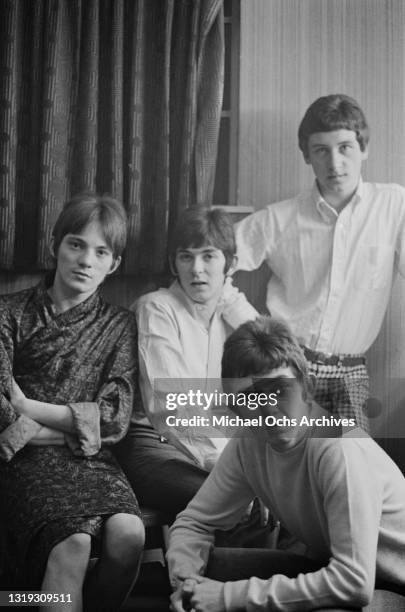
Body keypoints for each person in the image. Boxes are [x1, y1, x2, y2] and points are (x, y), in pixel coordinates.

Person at [167, 316, 405, 612]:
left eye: (279, 390)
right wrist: (188, 583)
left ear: (308, 388)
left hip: (389, 586)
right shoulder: (247, 444)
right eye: (251, 397)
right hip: (328, 568)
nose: (268, 408)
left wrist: (226, 597)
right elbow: (194, 523)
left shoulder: (338, 447)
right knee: (206, 571)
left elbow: (353, 583)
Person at [0, 194, 144, 612]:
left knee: (129, 535)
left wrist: (30, 411)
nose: (86, 260)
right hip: (23, 461)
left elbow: (114, 416)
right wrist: (72, 430)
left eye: (101, 252)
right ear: (55, 246)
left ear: (113, 264)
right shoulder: (9, 313)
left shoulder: (120, 325)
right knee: (73, 543)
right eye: (76, 244)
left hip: (94, 463)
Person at [234, 94, 405, 432]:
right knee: (288, 463)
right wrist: (251, 325)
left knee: (354, 466)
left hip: (351, 371)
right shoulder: (280, 219)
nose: (335, 163)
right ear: (307, 156)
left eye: (345, 148)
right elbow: (214, 262)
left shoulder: (393, 205)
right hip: (288, 365)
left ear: (364, 149)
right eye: (321, 150)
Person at [115, 207, 258, 516]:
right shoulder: (157, 308)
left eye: (209, 256)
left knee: (284, 494)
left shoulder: (230, 312)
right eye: (185, 257)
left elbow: (272, 365)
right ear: (173, 263)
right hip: (154, 443)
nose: (196, 269)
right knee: (237, 502)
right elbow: (172, 406)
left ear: (230, 264)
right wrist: (225, 466)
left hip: (218, 439)